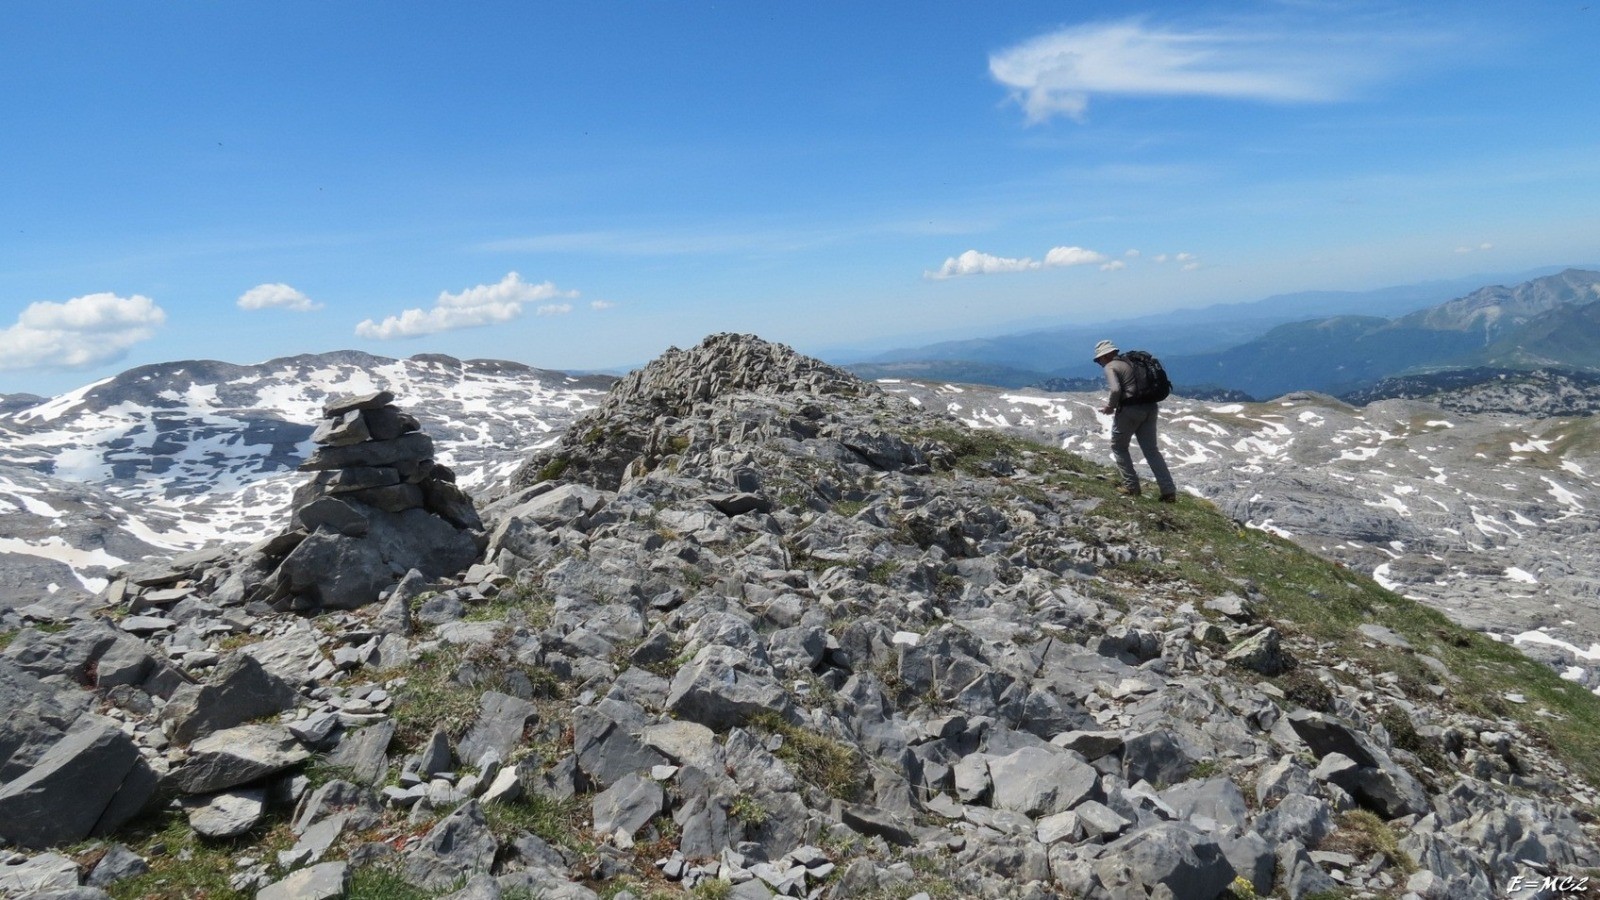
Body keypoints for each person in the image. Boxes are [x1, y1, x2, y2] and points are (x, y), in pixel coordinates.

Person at [1093, 339, 1176, 502]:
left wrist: (1110, 407)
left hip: (1130, 410)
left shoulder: (1111, 366)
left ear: (1106, 356)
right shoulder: (1131, 362)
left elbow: (1115, 389)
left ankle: (1131, 487)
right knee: (1151, 450)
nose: (1099, 363)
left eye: (1099, 359)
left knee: (1119, 446)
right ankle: (1168, 491)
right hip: (1151, 407)